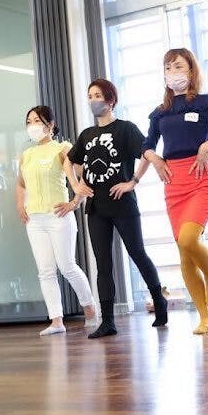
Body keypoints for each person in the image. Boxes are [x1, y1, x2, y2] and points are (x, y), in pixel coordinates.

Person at [142, 48, 208, 335]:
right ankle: (204, 317)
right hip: (173, 183)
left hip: (200, 179)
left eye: (178, 66)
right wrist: (154, 159)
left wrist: (207, 146)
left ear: (191, 70)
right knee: (184, 254)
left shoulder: (204, 104)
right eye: (168, 67)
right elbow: (147, 144)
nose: (173, 72)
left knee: (188, 239)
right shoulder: (160, 112)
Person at [65, 79, 168, 338]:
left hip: (123, 204)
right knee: (103, 263)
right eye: (90, 96)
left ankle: (159, 300)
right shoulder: (86, 135)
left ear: (111, 100)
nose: (93, 100)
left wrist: (133, 182)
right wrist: (77, 185)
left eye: (98, 95)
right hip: (96, 208)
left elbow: (146, 152)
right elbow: (69, 161)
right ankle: (108, 321)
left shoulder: (125, 129)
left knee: (137, 253)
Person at [16, 106, 97, 337]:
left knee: (67, 266)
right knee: (45, 271)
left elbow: (84, 174)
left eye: (37, 121)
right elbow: (21, 184)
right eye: (29, 121)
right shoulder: (26, 154)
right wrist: (20, 205)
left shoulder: (63, 149)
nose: (32, 125)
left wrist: (74, 203)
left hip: (58, 216)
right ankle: (56, 320)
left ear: (50, 125)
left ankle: (90, 309)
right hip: (35, 220)